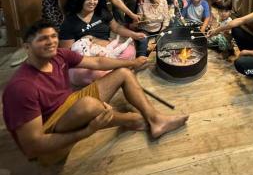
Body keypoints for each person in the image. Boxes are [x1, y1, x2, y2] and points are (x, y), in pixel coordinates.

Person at [2, 20, 189, 161]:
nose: (51, 42)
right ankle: (131, 120)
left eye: (53, 37)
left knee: (123, 72)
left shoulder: (59, 55)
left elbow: (98, 62)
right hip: (50, 144)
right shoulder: (21, 88)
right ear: (27, 47)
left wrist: (132, 62)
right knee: (88, 105)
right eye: (43, 39)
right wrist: (86, 132)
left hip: (70, 105)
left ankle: (156, 120)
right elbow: (33, 147)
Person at [59, 0, 149, 57]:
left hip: (107, 49)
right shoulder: (69, 22)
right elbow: (68, 53)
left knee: (130, 50)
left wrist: (134, 35)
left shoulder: (101, 12)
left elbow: (117, 28)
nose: (92, 2)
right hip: (87, 57)